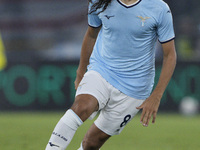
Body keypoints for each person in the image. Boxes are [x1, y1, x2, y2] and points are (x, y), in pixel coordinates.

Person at [45, 0, 177, 149]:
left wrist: (156, 96)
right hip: (102, 70)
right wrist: (81, 71)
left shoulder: (159, 8)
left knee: (92, 143)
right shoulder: (99, 2)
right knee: (81, 107)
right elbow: (91, 35)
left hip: (135, 87)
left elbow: (170, 55)